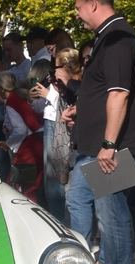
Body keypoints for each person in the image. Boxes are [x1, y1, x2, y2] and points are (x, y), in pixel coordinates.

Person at [62, 0, 135, 264]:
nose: (75, 13)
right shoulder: (110, 37)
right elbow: (105, 91)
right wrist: (81, 110)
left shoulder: (117, 39)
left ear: (94, 4)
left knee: (112, 213)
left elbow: (119, 93)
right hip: (100, 145)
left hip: (115, 147)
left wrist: (110, 145)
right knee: (78, 199)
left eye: (77, 6)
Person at [30, 48, 80, 224]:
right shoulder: (59, 83)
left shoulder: (77, 82)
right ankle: (60, 225)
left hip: (74, 132)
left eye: (55, 67)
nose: (52, 73)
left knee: (67, 187)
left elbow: (77, 101)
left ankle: (63, 225)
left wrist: (52, 93)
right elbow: (43, 108)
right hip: (54, 124)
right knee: (54, 181)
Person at [0, 71, 44, 202]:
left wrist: (8, 144)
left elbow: (20, 130)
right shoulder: (21, 95)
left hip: (30, 145)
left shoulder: (12, 101)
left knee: (19, 183)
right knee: (34, 184)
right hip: (40, 141)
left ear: (2, 88)